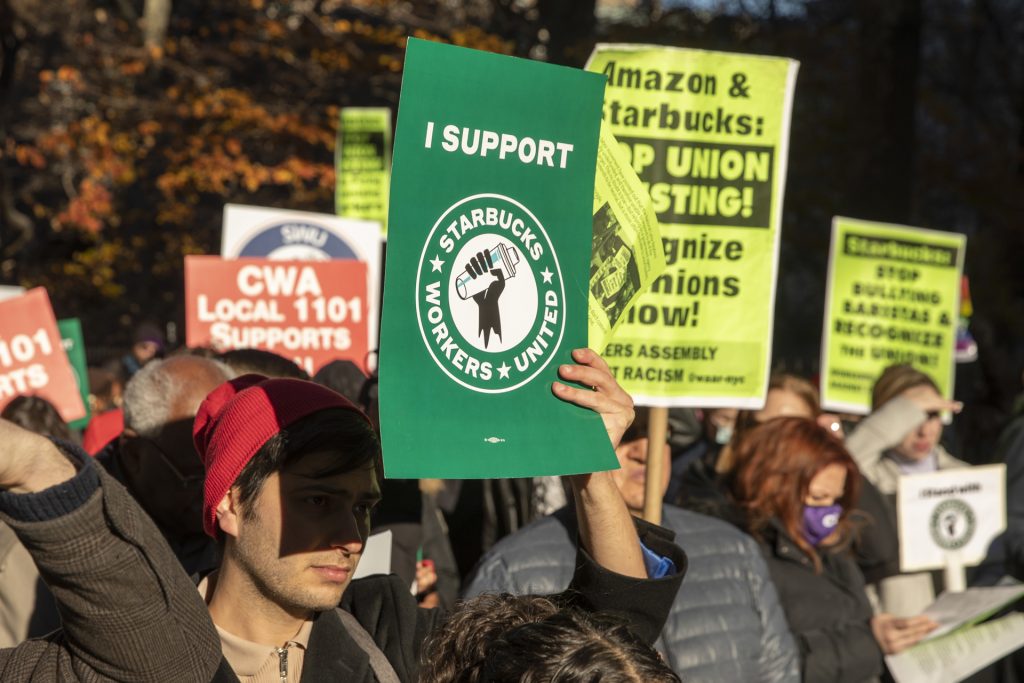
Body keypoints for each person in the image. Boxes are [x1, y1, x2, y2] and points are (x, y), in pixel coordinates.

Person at [0, 348, 685, 682]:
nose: (349, 534)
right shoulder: (115, 649)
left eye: (361, 505)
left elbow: (604, 638)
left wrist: (593, 473)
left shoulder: (388, 632)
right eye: (317, 500)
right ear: (231, 501)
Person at [464, 407, 800, 682]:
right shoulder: (513, 566)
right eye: (624, 436)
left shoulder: (734, 549)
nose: (644, 451)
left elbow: (780, 671)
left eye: (659, 434)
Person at [720, 417, 936, 682]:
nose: (829, 513)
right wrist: (869, 641)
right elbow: (767, 664)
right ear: (774, 486)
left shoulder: (830, 546)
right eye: (819, 498)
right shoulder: (743, 558)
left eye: (836, 499)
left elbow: (883, 549)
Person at [678, 373, 901, 586]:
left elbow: (880, 551)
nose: (777, 439)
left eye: (794, 427)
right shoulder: (708, 484)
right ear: (744, 428)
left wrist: (835, 456)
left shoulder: (819, 498)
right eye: (765, 426)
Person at [97, 354, 235, 575]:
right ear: (134, 455)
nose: (222, 498)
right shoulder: (80, 532)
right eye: (197, 478)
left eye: (232, 473)